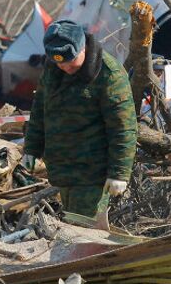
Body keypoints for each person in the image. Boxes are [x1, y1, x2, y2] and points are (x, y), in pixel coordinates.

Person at [22, 19, 137, 230]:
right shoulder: (53, 69)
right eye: (59, 61)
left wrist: (119, 173)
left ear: (83, 47)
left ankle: (94, 262)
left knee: (85, 229)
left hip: (93, 173)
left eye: (70, 60)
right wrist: (31, 149)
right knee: (73, 225)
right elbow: (40, 109)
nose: (65, 67)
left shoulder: (108, 75)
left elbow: (123, 128)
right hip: (64, 169)